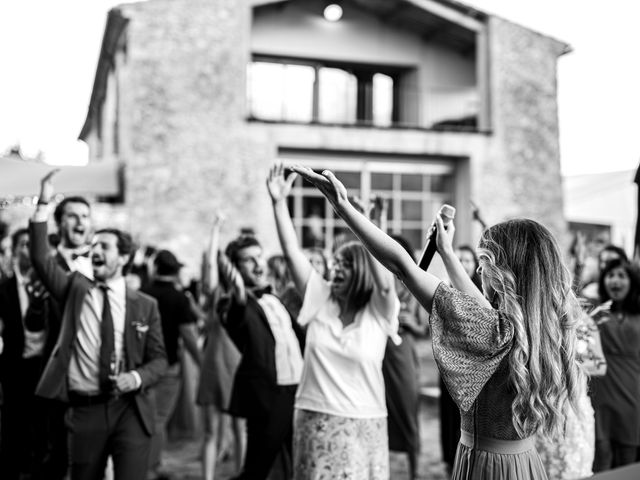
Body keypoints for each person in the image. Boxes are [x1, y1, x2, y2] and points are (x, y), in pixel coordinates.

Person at [292, 165, 583, 480]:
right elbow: (479, 307)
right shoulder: (543, 329)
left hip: (487, 466)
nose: (480, 272)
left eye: (484, 261)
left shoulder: (492, 329)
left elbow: (402, 266)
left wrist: (343, 208)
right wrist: (446, 253)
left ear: (502, 272)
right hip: (524, 463)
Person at [29, 170, 168, 480]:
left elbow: (160, 360)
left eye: (105, 246)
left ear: (124, 258)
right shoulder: (75, 288)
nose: (96, 251)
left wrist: (136, 377)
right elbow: (40, 257)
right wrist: (44, 201)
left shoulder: (146, 304)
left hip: (130, 408)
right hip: (85, 408)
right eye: (95, 246)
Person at [267, 163, 401, 479]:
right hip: (315, 418)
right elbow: (291, 253)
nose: (335, 270)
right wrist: (278, 204)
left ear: (362, 271)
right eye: (334, 263)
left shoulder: (379, 310)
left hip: (365, 421)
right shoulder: (320, 296)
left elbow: (385, 281)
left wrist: (360, 221)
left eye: (345, 265)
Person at [221, 230, 305, 480]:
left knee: (300, 464)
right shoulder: (231, 304)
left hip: (299, 392)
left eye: (260, 256)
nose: (259, 264)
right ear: (234, 268)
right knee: (256, 469)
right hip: (269, 397)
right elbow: (235, 312)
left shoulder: (274, 298)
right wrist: (236, 289)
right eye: (249, 259)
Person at [0, 228, 59, 479]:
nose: (30, 250)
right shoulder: (3, 288)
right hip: (14, 365)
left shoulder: (53, 286)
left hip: (46, 367)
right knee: (14, 424)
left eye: (33, 245)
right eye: (24, 245)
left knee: (45, 426)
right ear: (14, 252)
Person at [142, 249, 203, 480]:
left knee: (146, 419)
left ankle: (150, 464)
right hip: (168, 367)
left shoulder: (142, 292)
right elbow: (188, 335)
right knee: (157, 420)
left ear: (155, 267)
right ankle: (151, 468)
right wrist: (201, 364)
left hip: (142, 366)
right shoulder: (178, 298)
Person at [196, 214, 245, 480]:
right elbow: (211, 267)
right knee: (211, 431)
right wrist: (215, 229)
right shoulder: (217, 293)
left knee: (241, 430)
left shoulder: (247, 295)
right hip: (215, 363)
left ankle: (241, 474)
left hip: (239, 363)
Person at [590, 259, 640, 471]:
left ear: (632, 281)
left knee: (628, 464)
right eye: (611, 275)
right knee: (600, 460)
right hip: (600, 393)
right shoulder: (595, 312)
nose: (615, 281)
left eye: (622, 275)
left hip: (633, 396)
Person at [383, 235, 426, 480]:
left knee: (409, 411)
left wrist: (411, 323)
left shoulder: (414, 286)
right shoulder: (383, 281)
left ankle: (414, 471)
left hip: (405, 354)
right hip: (382, 352)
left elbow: (425, 330)